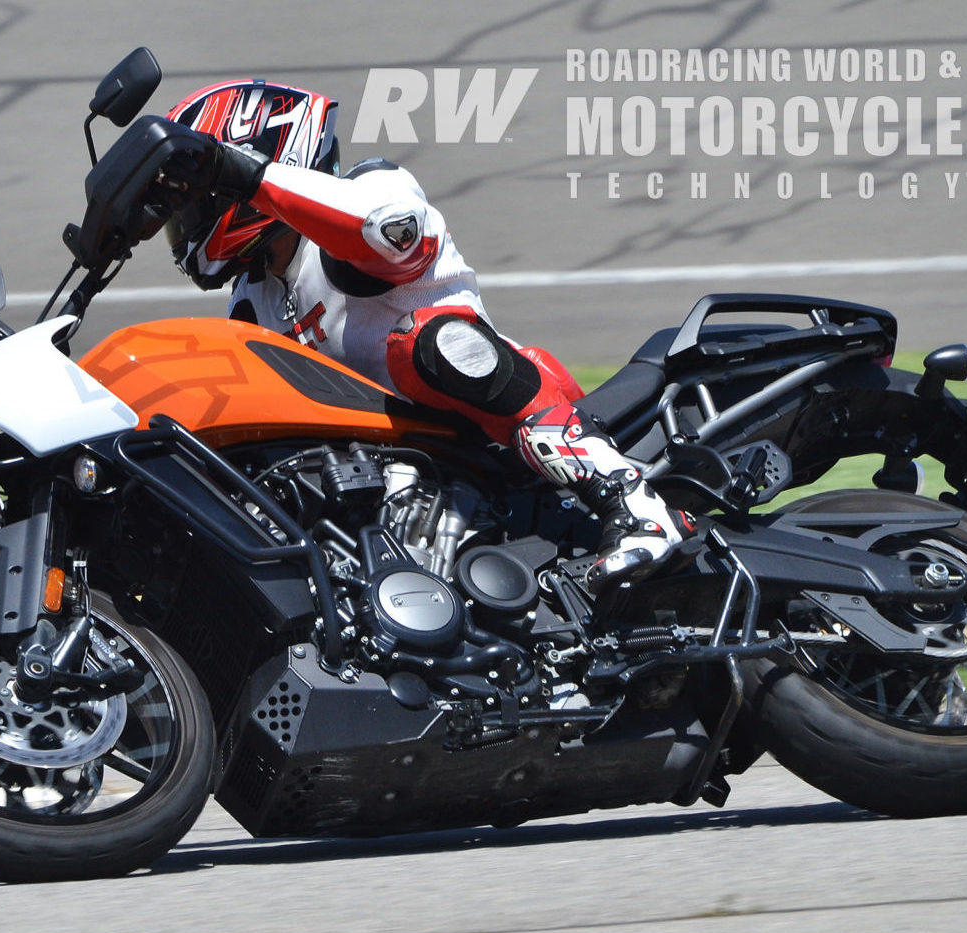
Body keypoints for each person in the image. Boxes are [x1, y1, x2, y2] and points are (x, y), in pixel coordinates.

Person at [161, 79, 694, 591]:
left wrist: (245, 173)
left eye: (195, 201)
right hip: (393, 473)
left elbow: (379, 229)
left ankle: (635, 505)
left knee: (425, 343)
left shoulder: (371, 192)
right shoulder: (253, 300)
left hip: (495, 435)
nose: (184, 225)